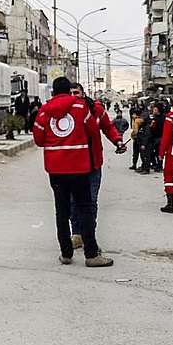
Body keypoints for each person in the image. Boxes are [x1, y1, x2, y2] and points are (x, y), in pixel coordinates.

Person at [33, 77, 113, 267]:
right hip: (79, 167)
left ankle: (66, 254)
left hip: (56, 169)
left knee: (62, 211)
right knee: (85, 208)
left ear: (53, 91)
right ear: (69, 91)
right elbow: (93, 130)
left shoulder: (44, 111)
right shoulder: (80, 107)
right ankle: (91, 255)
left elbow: (38, 139)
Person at [68, 83, 126, 250]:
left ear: (83, 93)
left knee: (91, 202)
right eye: (71, 93)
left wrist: (118, 141)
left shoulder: (96, 110)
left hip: (93, 164)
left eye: (76, 93)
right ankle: (76, 234)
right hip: (73, 166)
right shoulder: (64, 112)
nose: (74, 96)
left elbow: (108, 127)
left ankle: (89, 237)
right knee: (73, 202)